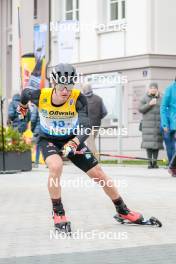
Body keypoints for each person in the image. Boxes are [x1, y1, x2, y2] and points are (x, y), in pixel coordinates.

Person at [18, 63, 144, 231]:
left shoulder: (78, 98)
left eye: (69, 85)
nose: (66, 91)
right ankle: (58, 212)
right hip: (48, 139)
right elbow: (24, 94)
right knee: (56, 166)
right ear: (54, 84)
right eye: (62, 86)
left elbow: (86, 127)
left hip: (72, 138)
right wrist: (23, 110)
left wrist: (74, 142)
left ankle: (123, 210)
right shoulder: (40, 95)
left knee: (98, 173)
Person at [139, 83, 163, 169]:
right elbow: (140, 109)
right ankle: (149, 163)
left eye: (155, 88)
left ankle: (155, 163)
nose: (153, 89)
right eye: (151, 88)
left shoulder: (161, 97)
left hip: (158, 124)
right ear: (149, 89)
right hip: (147, 125)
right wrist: (149, 104)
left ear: (157, 89)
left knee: (156, 145)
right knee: (148, 145)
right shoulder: (144, 98)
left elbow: (164, 108)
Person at [82, 83, 107, 156]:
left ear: (84, 90)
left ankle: (95, 160)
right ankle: (88, 158)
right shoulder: (99, 99)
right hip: (97, 125)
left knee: (90, 143)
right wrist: (97, 118)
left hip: (87, 125)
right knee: (91, 142)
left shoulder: (82, 99)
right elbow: (104, 112)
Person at [160, 79, 176, 176]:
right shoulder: (170, 89)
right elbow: (163, 107)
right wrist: (165, 124)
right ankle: (172, 167)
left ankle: (172, 166)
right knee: (170, 148)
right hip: (171, 123)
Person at [30, 103, 41, 168]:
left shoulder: (37, 106)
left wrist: (32, 129)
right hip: (47, 129)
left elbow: (33, 119)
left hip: (38, 129)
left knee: (36, 146)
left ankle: (35, 162)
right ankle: (49, 162)